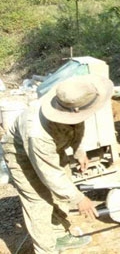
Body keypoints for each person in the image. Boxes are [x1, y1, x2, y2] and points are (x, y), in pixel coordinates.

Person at [2, 74, 114, 253]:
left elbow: (78, 124)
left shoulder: (72, 103)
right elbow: (50, 174)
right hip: (20, 153)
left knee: (62, 192)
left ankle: (59, 235)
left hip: (54, 146)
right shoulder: (37, 133)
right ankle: (46, 249)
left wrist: (78, 151)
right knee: (39, 201)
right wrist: (79, 199)